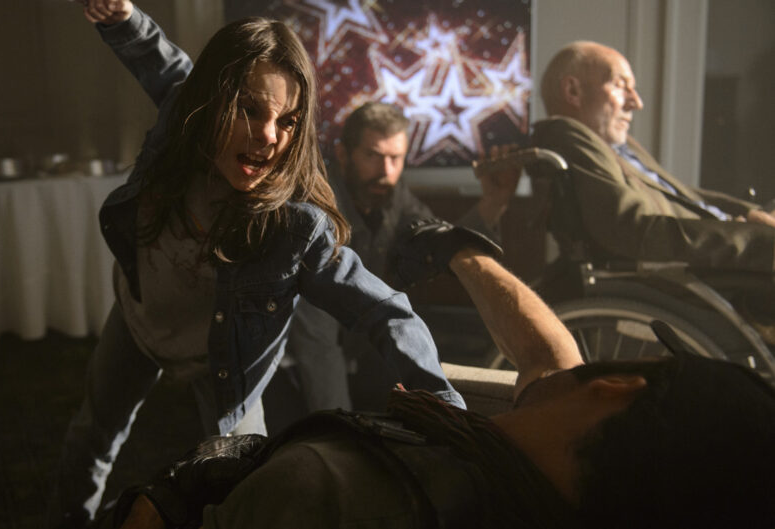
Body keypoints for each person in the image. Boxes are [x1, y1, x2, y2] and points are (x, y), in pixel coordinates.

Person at [47, 2, 485, 526]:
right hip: (140, 318)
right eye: (250, 110)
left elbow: (385, 311)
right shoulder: (182, 119)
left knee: (245, 491)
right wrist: (121, 17)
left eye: (287, 121)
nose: (269, 135)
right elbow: (162, 62)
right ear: (211, 102)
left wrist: (445, 407)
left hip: (224, 366)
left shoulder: (296, 229)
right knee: (91, 436)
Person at [98, 218, 775, 529]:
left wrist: (172, 496)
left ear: (620, 386)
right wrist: (461, 252)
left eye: (642, 362)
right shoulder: (561, 476)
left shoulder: (328, 489)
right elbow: (551, 358)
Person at [286, 102, 522, 413]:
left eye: (395, 158)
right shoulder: (316, 203)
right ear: (344, 154)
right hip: (294, 362)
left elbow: (440, 244)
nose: (385, 171)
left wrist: (493, 201)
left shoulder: (395, 196)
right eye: (372, 156)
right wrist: (338, 421)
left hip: (357, 351)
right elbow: (316, 338)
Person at [532, 40, 775, 335]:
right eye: (621, 85)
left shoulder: (615, 145)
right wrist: (747, 235)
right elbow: (630, 228)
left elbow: (688, 195)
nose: (636, 102)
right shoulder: (568, 134)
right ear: (573, 91)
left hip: (715, 240)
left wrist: (752, 215)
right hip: (686, 268)